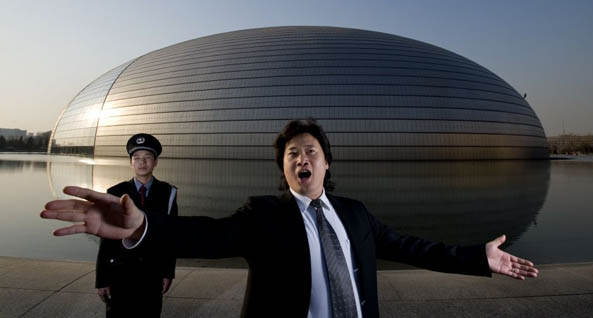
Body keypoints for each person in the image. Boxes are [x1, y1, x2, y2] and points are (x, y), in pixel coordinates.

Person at [41, 119, 538, 318]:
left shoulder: (356, 214)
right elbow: (207, 233)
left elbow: (414, 248)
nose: (303, 158)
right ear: (284, 167)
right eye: (293, 153)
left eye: (312, 151)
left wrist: (480, 257)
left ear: (326, 163)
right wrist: (143, 228)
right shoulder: (263, 215)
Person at [95, 133, 177, 318]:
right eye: (137, 158)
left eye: (148, 158)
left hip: (152, 272)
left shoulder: (168, 193)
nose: (142, 163)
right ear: (131, 162)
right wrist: (102, 279)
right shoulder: (115, 192)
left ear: (155, 162)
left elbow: (170, 237)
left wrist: (168, 272)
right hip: (120, 273)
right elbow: (107, 239)